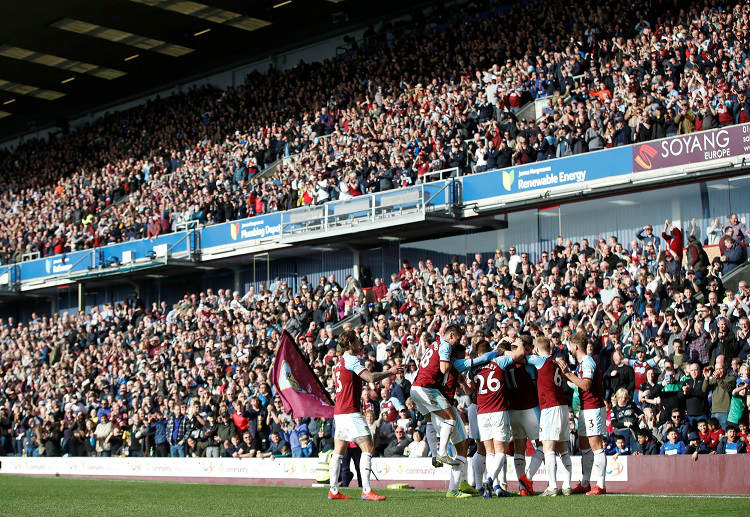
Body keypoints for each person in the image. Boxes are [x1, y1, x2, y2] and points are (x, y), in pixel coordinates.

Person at [409, 323, 497, 498]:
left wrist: (463, 381)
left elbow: (465, 388)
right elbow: (466, 363)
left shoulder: (438, 345)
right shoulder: (450, 358)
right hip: (435, 399)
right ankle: (445, 469)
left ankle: (461, 483)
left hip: (432, 397)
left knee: (463, 446)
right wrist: (491, 355)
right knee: (453, 430)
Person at [327, 330, 402, 501]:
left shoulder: (339, 363)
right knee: (368, 448)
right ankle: (366, 490)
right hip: (350, 412)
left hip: (339, 412)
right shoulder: (352, 360)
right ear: (351, 344)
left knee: (338, 452)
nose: (359, 343)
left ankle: (333, 490)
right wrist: (390, 372)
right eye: (357, 341)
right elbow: (370, 378)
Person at [470, 339, 523, 497]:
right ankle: (491, 480)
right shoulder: (499, 361)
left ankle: (492, 486)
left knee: (489, 452)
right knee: (501, 451)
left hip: (482, 412)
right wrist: (518, 343)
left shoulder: (473, 368)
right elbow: (519, 354)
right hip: (498, 410)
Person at [558, 332, 608, 496]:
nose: (569, 349)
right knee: (585, 446)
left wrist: (569, 375)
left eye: (570, 346)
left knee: (596, 447)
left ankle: (600, 485)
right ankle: (585, 482)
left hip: (593, 407)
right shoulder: (582, 363)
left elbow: (586, 385)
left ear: (576, 346)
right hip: (586, 408)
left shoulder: (587, 362)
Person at [524, 336, 573, 496]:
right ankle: (567, 485)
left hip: (550, 407)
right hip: (563, 407)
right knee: (562, 448)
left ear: (537, 350)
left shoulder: (540, 361)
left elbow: (523, 357)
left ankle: (552, 486)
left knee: (548, 447)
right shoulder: (557, 363)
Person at [506, 335, 544, 496]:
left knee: (519, 449)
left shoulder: (504, 363)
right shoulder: (530, 366)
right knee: (544, 445)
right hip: (530, 409)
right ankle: (526, 480)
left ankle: (523, 487)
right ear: (526, 348)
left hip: (513, 411)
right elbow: (537, 388)